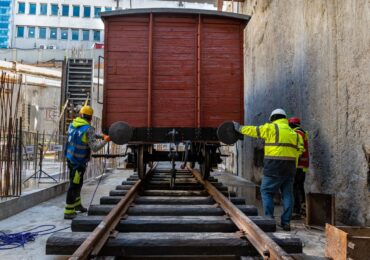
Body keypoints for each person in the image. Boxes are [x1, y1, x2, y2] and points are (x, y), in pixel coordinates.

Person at [233, 108, 304, 231]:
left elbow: (254, 130)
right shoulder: (295, 134)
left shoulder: (272, 128)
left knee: (266, 191)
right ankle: (286, 223)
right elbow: (300, 151)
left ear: (274, 119)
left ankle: (269, 220)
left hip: (273, 167)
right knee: (288, 194)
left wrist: (239, 128)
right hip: (290, 169)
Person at [64, 105, 111, 219]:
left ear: (81, 115)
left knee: (78, 183)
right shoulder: (88, 129)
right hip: (78, 162)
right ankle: (68, 211)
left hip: (70, 158)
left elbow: (86, 135)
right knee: (74, 185)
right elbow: (94, 147)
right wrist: (105, 141)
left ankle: (77, 205)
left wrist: (101, 136)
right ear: (90, 117)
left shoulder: (73, 125)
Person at [288, 117, 309, 219]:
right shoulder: (302, 132)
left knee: (294, 187)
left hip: (298, 165)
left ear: (291, 125)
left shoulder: (297, 133)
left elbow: (298, 150)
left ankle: (297, 210)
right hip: (302, 165)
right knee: (299, 186)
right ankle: (303, 209)